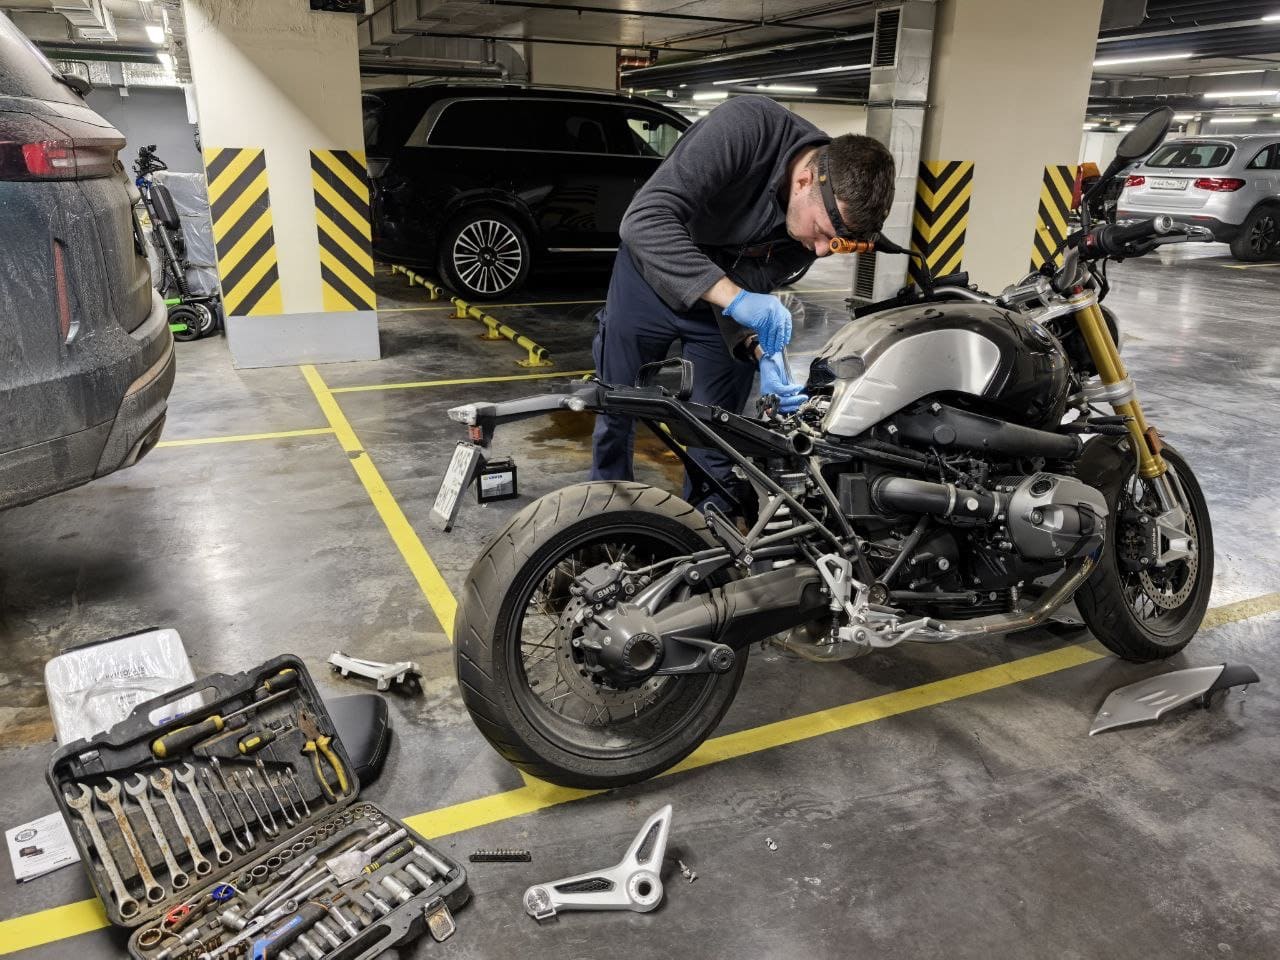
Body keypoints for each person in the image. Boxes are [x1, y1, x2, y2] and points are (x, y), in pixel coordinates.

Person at [591, 95, 896, 508]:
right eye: (823, 234)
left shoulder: (816, 217)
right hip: (649, 276)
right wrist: (737, 299)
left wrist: (756, 346)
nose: (821, 251)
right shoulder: (745, 128)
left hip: (722, 306)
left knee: (716, 435)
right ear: (804, 181)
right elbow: (644, 222)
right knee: (616, 408)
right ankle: (604, 515)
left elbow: (752, 280)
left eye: (834, 244)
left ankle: (705, 533)